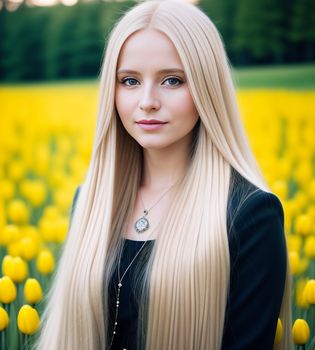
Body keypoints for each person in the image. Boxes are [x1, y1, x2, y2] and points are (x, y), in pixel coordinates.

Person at [34, 0, 292, 349]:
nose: (147, 101)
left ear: (207, 88)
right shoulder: (91, 201)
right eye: (129, 81)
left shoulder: (250, 217)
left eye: (172, 80)